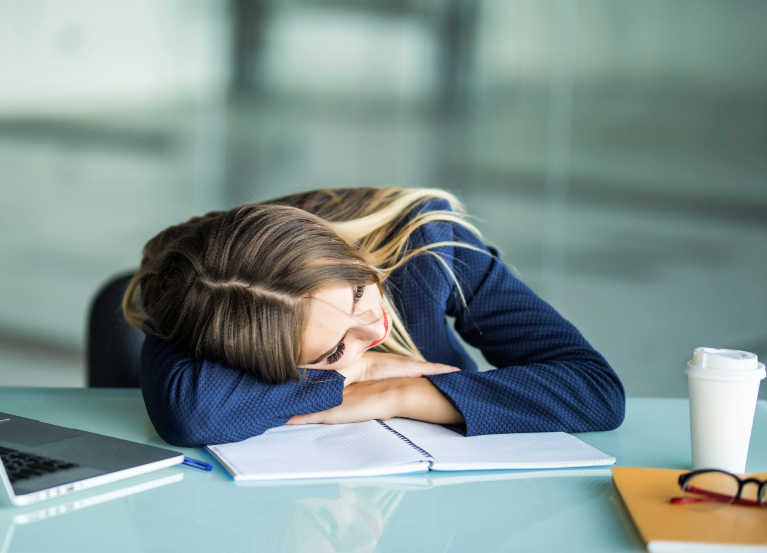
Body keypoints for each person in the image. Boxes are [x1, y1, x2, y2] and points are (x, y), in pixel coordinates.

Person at [123, 187, 625, 447]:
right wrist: (355, 373)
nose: (378, 328)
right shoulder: (207, 292)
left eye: (360, 289)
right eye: (334, 347)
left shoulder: (425, 242)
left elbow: (593, 390)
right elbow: (194, 414)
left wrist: (397, 391)